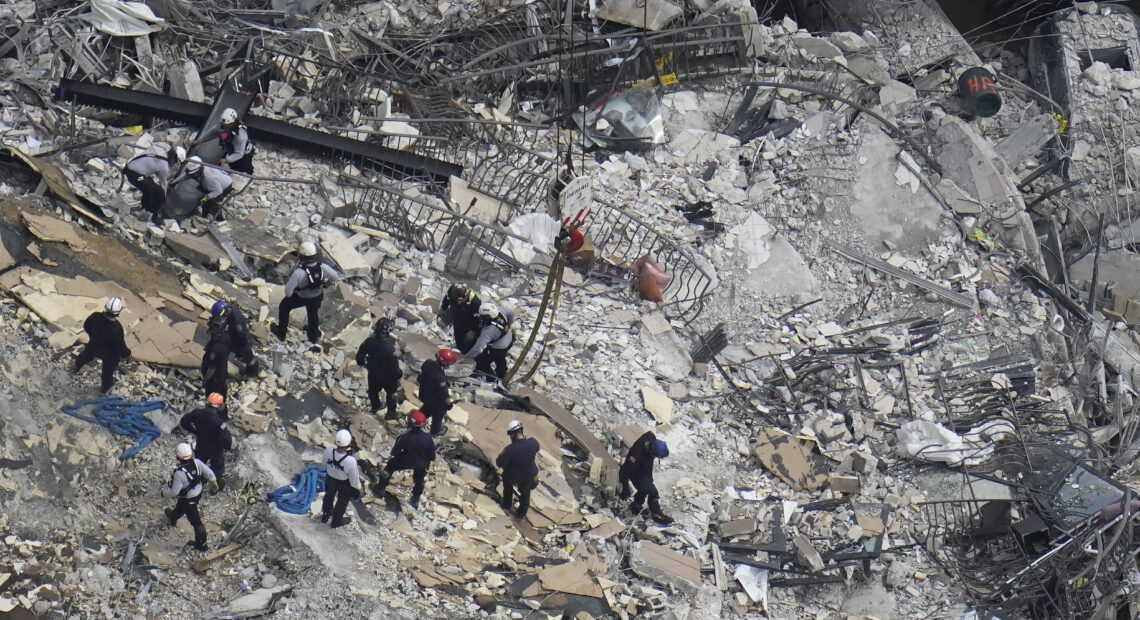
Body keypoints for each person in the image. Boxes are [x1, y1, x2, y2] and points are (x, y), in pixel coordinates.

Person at [271, 241, 339, 345]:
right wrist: (326, 285)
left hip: (301, 297)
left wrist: (294, 292)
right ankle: (313, 336)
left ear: (301, 256)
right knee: (313, 312)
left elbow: (288, 292)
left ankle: (281, 333)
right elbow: (335, 277)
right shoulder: (323, 267)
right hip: (317, 295)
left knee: (284, 306)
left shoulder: (299, 272)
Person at [373, 411, 434, 508]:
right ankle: (415, 499)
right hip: (421, 463)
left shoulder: (404, 437)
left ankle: (380, 488)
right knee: (419, 480)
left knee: (390, 466)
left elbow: (394, 452)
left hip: (406, 460)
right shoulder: (428, 438)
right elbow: (432, 456)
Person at [163, 442, 218, 551]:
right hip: (198, 493)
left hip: (188, 500)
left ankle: (202, 545)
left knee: (196, 521)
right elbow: (210, 474)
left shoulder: (179, 474)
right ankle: (173, 517)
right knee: (181, 507)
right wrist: (214, 486)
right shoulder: (197, 463)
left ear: (178, 456)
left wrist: (164, 493)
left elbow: (174, 492)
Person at [74, 297, 131, 393]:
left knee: (85, 356)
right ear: (117, 313)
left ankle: (76, 367)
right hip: (109, 354)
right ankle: (105, 388)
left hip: (94, 345)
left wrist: (93, 336)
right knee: (107, 373)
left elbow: (86, 326)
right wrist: (127, 354)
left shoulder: (95, 316)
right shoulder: (117, 328)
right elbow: (120, 346)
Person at [179, 393, 232, 491]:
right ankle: (215, 486)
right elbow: (227, 438)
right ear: (218, 406)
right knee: (218, 468)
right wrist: (225, 447)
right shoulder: (219, 422)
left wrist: (194, 431)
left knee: (199, 465)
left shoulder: (197, 413)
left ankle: (197, 482)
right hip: (215, 449)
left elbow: (184, 421)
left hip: (201, 445)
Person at [618, 431, 672, 524]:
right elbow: (624, 470)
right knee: (652, 492)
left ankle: (636, 505)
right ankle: (657, 515)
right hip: (636, 472)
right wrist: (625, 488)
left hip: (645, 468)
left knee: (646, 487)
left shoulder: (650, 437)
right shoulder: (636, 455)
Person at [355, 318, 402, 420]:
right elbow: (394, 368)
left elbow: (360, 356)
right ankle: (391, 413)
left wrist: (364, 364)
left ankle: (376, 407)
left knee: (373, 391)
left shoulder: (369, 341)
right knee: (391, 394)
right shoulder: (390, 348)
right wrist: (399, 374)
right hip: (388, 377)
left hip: (373, 372)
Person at [122, 143, 184, 221]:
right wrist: (164, 200)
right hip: (134, 175)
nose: (173, 163)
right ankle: (148, 211)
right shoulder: (164, 166)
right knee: (153, 191)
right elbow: (163, 185)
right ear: (173, 157)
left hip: (129, 167)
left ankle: (145, 207)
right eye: (175, 161)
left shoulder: (159, 149)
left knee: (151, 185)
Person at [496, 419, 539, 519]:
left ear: (513, 434)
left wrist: (501, 454)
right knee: (526, 491)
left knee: (506, 481)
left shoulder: (510, 449)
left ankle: (506, 504)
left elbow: (499, 463)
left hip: (514, 477)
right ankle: (521, 513)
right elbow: (537, 448)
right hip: (530, 475)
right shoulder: (533, 442)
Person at [321, 429, 363, 529]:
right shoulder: (350, 461)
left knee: (328, 496)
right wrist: (359, 488)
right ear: (348, 444)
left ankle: (325, 515)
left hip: (330, 478)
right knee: (342, 502)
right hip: (343, 483)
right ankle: (336, 521)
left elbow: (323, 465)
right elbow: (354, 480)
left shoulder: (328, 451)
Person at [464, 302, 515, 382]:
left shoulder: (488, 331)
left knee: (483, 363)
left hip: (499, 347)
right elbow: (511, 312)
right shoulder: (500, 310)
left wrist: (465, 358)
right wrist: (508, 323)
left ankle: (492, 379)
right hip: (509, 338)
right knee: (501, 361)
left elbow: (478, 348)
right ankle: (503, 376)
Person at [211, 301, 257, 377]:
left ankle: (252, 373)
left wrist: (246, 344)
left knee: (247, 355)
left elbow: (242, 334)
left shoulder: (237, 319)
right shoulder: (228, 310)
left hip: (240, 338)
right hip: (232, 332)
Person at [183, 156, 233, 221]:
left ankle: (219, 218)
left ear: (198, 170)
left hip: (224, 187)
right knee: (199, 191)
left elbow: (218, 191)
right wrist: (176, 181)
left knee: (208, 202)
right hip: (216, 184)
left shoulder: (209, 177)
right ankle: (204, 214)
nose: (193, 177)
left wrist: (207, 197)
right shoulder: (202, 168)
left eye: (194, 175)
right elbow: (188, 175)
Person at [419, 349, 455, 435]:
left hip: (424, 394)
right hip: (435, 401)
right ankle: (436, 431)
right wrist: (449, 404)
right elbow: (444, 395)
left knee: (426, 409)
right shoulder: (440, 378)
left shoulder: (428, 363)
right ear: (445, 363)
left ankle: (417, 420)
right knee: (438, 416)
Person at [439, 283, 481, 352]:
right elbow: (447, 298)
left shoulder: (475, 301)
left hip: (469, 321)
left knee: (468, 340)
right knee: (458, 336)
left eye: (459, 300)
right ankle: (459, 347)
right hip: (457, 317)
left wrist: (473, 330)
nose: (458, 301)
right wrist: (443, 308)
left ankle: (466, 351)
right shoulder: (452, 290)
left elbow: (477, 318)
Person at [216, 108, 255, 174]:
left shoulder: (240, 136)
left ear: (231, 123)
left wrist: (226, 160)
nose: (224, 127)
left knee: (243, 171)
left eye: (226, 125)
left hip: (244, 154)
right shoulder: (225, 126)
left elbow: (239, 154)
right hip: (232, 148)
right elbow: (214, 131)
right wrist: (199, 141)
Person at [201, 320, 231, 401]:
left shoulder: (215, 348)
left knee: (212, 395)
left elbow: (212, 367)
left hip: (215, 378)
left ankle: (214, 409)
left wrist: (206, 379)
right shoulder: (226, 337)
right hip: (222, 370)